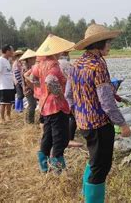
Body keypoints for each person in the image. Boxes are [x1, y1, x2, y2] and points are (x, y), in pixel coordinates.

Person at [71, 23, 131, 203]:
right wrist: (122, 124)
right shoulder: (98, 65)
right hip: (98, 124)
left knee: (94, 159)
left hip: (82, 121)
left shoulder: (78, 63)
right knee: (101, 168)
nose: (110, 46)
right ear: (100, 44)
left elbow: (70, 93)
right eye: (108, 43)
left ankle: (85, 193)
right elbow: (106, 102)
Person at [32, 35, 74, 174]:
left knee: (48, 135)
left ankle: (44, 164)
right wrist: (59, 95)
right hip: (56, 106)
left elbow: (33, 78)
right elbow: (50, 80)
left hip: (45, 105)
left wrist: (42, 91)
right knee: (60, 137)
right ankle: (57, 167)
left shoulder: (40, 64)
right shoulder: (53, 64)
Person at [58, 51, 83, 148]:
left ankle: (63, 136)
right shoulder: (67, 65)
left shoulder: (56, 64)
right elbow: (72, 80)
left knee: (63, 116)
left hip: (59, 93)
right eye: (67, 53)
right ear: (65, 54)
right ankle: (69, 139)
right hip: (67, 93)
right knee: (72, 117)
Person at [0, 45, 15, 122]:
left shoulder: (7, 60)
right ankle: (2, 118)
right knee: (3, 102)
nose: (13, 52)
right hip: (3, 85)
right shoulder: (0, 60)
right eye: (12, 50)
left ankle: (8, 116)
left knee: (9, 102)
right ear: (7, 51)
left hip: (10, 85)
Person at [19, 49, 37, 124]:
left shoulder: (29, 66)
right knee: (32, 105)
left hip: (30, 88)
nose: (35, 59)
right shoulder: (26, 67)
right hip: (29, 89)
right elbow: (27, 81)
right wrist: (34, 89)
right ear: (29, 59)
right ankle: (29, 122)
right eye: (33, 58)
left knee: (32, 105)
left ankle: (28, 120)